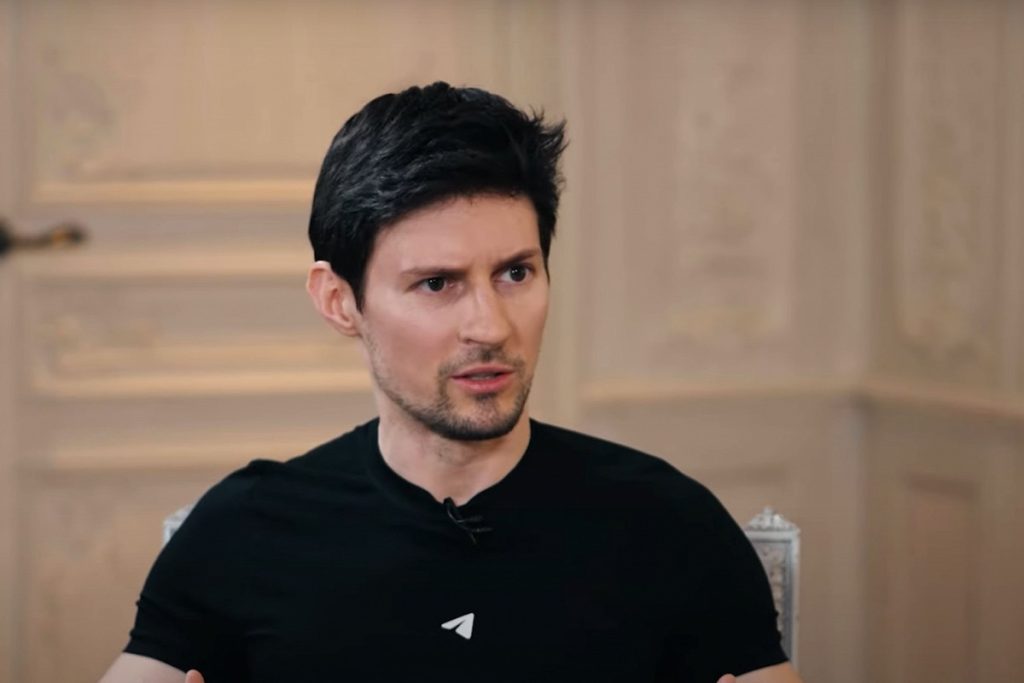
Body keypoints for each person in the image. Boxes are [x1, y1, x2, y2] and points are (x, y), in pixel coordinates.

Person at [99, 82, 802, 683]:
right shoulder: (248, 529)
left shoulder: (668, 523)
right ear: (339, 301)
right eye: (437, 283)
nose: (489, 325)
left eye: (515, 273)